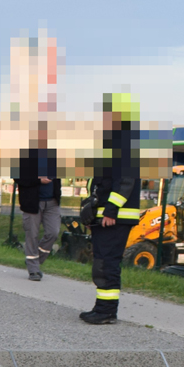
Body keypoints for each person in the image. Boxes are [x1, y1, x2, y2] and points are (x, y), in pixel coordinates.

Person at [80, 92, 142, 324]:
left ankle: (106, 312)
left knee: (107, 264)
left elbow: (125, 180)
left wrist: (110, 211)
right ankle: (102, 308)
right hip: (107, 215)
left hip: (114, 217)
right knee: (102, 263)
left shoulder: (124, 142)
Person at [13, 126, 61, 281]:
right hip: (33, 203)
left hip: (52, 202)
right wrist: (38, 179)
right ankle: (33, 270)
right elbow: (18, 177)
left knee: (53, 233)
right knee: (32, 235)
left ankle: (35, 261)